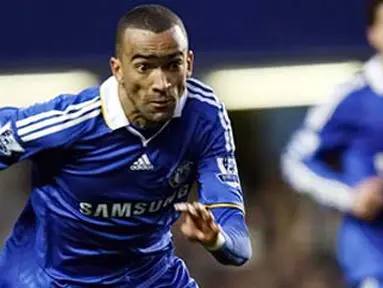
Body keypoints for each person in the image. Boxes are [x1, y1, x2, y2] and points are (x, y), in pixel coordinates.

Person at [0, 4, 252, 287]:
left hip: (151, 277)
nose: (162, 83)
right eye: (144, 67)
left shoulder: (204, 117)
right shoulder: (68, 122)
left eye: (173, 65)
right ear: (117, 69)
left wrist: (215, 238)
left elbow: (239, 246)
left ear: (189, 63)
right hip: (51, 279)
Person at [281, 1, 383, 287]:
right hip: (373, 258)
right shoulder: (352, 98)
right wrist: (350, 196)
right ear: (372, 33)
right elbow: (295, 161)